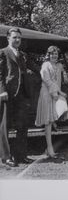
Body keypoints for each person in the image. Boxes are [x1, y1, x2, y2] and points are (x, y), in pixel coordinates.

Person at [0, 27, 40, 165]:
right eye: (14, 37)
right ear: (8, 38)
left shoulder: (23, 54)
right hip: (8, 94)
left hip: (22, 94)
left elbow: (36, 69)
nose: (17, 40)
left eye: (19, 38)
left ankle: (21, 156)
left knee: (22, 126)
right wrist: (2, 90)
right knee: (4, 126)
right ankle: (6, 157)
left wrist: (50, 71)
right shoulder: (2, 53)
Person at [35, 46, 68, 159]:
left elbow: (61, 80)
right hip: (46, 94)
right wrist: (59, 92)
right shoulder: (45, 65)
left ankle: (48, 148)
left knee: (53, 119)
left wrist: (64, 73)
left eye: (56, 54)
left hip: (54, 93)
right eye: (52, 54)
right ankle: (49, 148)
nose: (54, 56)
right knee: (48, 122)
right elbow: (47, 80)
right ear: (48, 55)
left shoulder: (59, 65)